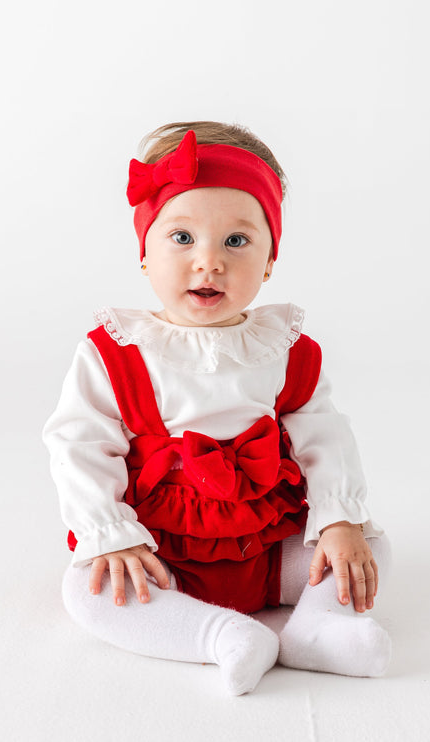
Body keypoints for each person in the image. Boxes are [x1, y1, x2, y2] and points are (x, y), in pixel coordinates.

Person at [43, 121, 392, 696]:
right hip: (161, 552)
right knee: (88, 589)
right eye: (182, 238)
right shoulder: (114, 353)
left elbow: (324, 436)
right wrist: (113, 535)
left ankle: (315, 627)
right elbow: (78, 444)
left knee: (369, 548)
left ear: (271, 258)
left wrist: (338, 519)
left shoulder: (286, 349)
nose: (209, 263)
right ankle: (217, 635)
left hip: (264, 540)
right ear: (144, 253)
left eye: (237, 241)